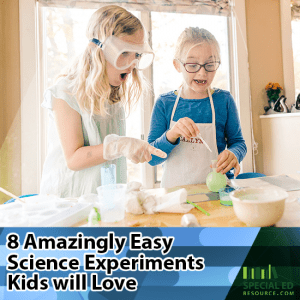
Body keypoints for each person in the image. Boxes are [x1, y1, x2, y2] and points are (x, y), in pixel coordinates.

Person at [40, 5, 166, 197]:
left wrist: (128, 149)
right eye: (124, 53)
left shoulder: (112, 94)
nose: (132, 64)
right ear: (98, 50)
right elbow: (73, 159)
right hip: (67, 200)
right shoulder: (65, 92)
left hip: (102, 201)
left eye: (137, 55)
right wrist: (120, 145)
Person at [148, 27, 247, 188]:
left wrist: (234, 153)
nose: (202, 72)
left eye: (210, 64)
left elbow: (239, 143)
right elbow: (151, 157)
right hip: (175, 196)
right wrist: (171, 135)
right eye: (193, 65)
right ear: (177, 65)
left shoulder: (224, 101)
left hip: (216, 194)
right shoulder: (164, 103)